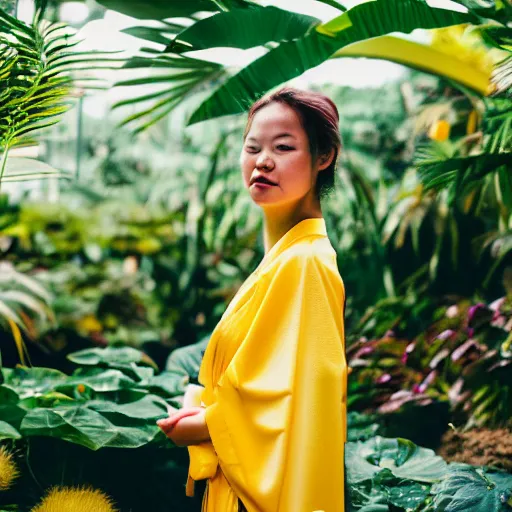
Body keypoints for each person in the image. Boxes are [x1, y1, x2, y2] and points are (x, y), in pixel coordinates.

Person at [157, 87, 348, 512]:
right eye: (252, 147)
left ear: (324, 157)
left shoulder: (306, 262)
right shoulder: (286, 257)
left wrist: (208, 423)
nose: (262, 160)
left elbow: (305, 402)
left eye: (284, 147)